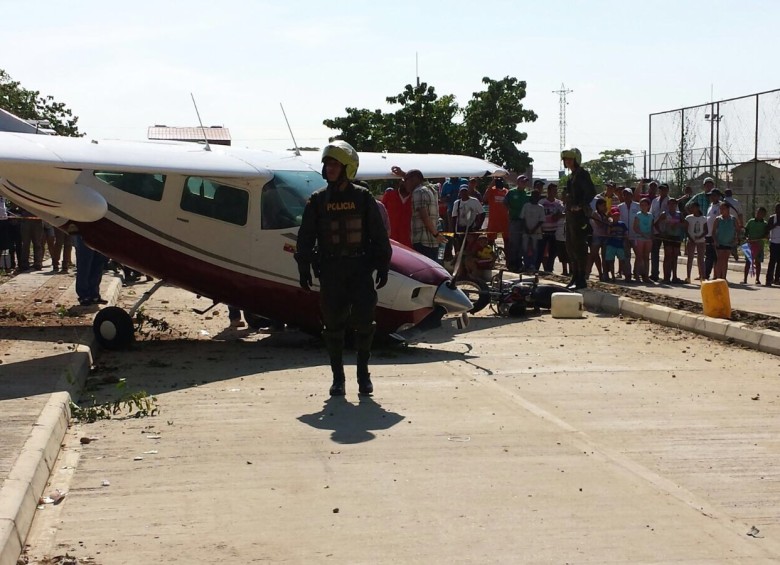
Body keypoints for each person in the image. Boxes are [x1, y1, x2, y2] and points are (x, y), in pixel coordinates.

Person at [296, 140, 392, 396]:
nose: (329, 168)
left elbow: (378, 234)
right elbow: (305, 237)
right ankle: (338, 378)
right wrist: (303, 267)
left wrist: (383, 264)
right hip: (331, 270)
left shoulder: (362, 197)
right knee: (332, 326)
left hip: (359, 269)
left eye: (335, 164)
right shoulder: (317, 200)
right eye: (327, 164)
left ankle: (363, 375)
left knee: (365, 323)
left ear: (347, 167)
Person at [561, 148, 595, 289]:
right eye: (566, 159)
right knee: (570, 247)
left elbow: (590, 192)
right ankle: (575, 276)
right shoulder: (571, 176)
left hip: (579, 217)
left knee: (580, 247)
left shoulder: (582, 174)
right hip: (570, 216)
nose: (567, 161)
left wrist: (580, 206)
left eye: (570, 159)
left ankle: (581, 278)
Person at [504, 175, 530, 272]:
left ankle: (520, 262)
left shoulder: (528, 194)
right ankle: (512, 263)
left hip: (525, 221)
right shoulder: (511, 192)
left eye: (525, 182)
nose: (524, 183)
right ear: (518, 182)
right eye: (522, 181)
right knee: (514, 242)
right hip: (514, 220)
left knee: (523, 243)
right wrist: (510, 210)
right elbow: (505, 202)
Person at [73, 235, 109, 305]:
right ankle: (84, 296)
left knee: (98, 265)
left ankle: (94, 295)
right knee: (84, 265)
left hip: (100, 235)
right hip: (84, 234)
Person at [538, 182, 564, 272]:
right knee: (541, 251)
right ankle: (538, 267)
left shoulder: (559, 203)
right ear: (548, 191)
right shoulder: (542, 202)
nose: (555, 192)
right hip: (544, 231)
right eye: (553, 190)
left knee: (552, 252)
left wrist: (559, 215)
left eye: (556, 190)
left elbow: (562, 214)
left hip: (554, 231)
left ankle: (549, 269)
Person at [657, 198, 685, 283]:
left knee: (675, 257)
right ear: (668, 205)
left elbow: (685, 224)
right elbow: (656, 223)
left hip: (676, 237)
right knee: (668, 257)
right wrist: (661, 232)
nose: (672, 206)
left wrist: (678, 224)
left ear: (676, 205)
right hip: (667, 236)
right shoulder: (664, 214)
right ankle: (666, 277)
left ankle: (675, 277)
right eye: (670, 204)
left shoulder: (679, 214)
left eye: (674, 204)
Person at [382, 178, 413, 247]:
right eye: (402, 182)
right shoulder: (389, 195)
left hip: (408, 241)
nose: (404, 184)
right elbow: (381, 214)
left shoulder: (415, 198)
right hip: (391, 240)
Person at [649, 183, 670, 281]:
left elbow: (675, 215)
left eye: (664, 189)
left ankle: (667, 275)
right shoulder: (654, 201)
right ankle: (654, 273)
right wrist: (653, 228)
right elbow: (651, 214)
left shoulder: (671, 201)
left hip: (667, 231)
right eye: (661, 189)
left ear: (667, 190)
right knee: (654, 253)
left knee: (668, 254)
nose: (662, 191)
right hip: (655, 230)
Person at [617, 188, 640, 282]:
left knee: (638, 255)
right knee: (626, 256)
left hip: (636, 235)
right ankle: (627, 274)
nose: (627, 196)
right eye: (625, 194)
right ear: (623, 196)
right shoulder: (620, 207)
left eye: (629, 194)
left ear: (632, 195)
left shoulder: (637, 206)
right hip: (624, 236)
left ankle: (637, 273)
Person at [519, 188, 544, 271]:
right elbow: (522, 218)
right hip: (526, 231)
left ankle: (533, 264)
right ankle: (526, 264)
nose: (536, 197)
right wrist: (526, 228)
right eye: (534, 195)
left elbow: (541, 220)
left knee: (534, 249)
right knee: (525, 248)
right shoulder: (526, 205)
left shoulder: (540, 207)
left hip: (536, 232)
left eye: (537, 196)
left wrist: (534, 229)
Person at [711, 201, 737, 280]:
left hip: (729, 242)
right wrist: (715, 240)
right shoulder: (718, 219)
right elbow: (713, 231)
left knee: (725, 260)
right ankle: (718, 277)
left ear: (728, 209)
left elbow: (738, 230)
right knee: (719, 259)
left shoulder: (733, 219)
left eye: (723, 208)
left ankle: (724, 277)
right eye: (720, 209)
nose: (721, 210)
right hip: (720, 242)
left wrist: (735, 239)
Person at [743, 207, 768, 285]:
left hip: (759, 245)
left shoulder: (765, 224)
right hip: (749, 244)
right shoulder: (751, 221)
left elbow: (766, 234)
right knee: (747, 262)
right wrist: (746, 237)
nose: (758, 214)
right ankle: (745, 279)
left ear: (764, 215)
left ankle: (757, 279)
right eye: (757, 212)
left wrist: (765, 236)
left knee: (758, 262)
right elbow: (746, 230)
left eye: (761, 213)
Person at [684, 201, 707, 283]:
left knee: (701, 259)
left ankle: (702, 276)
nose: (692, 209)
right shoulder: (688, 218)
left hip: (701, 241)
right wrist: (691, 238)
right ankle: (688, 276)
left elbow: (706, 230)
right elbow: (686, 230)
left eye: (693, 207)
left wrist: (700, 237)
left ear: (697, 208)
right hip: (691, 240)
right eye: (691, 207)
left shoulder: (703, 218)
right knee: (690, 258)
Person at [703, 188, 723, 279]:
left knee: (716, 256)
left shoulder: (720, 206)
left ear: (718, 196)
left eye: (714, 195)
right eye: (711, 195)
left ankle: (717, 275)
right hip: (708, 234)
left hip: (716, 234)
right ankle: (706, 274)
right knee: (709, 255)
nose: (712, 197)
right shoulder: (710, 206)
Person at [633, 198, 654, 283]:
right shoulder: (638, 215)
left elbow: (652, 227)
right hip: (640, 238)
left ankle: (646, 275)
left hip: (648, 238)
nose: (643, 207)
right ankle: (636, 275)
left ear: (648, 206)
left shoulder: (651, 215)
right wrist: (642, 234)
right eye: (641, 205)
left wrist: (651, 235)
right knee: (639, 256)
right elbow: (635, 227)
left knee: (646, 257)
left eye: (645, 205)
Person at [483, 177, 509, 246]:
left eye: (500, 181)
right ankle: (490, 255)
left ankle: (507, 255)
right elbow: (484, 198)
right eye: (497, 181)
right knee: (490, 240)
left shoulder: (506, 191)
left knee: (506, 239)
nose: (499, 183)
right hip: (494, 219)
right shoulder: (491, 190)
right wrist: (491, 184)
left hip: (504, 219)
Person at [588, 197, 609, 281]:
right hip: (596, 236)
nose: (605, 207)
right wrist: (607, 220)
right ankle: (587, 272)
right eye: (603, 205)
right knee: (593, 255)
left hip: (604, 237)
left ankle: (604, 274)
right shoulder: (595, 214)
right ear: (598, 206)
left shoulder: (604, 215)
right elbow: (600, 225)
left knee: (604, 256)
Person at [604, 211, 628, 282]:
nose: (616, 217)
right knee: (611, 261)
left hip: (620, 245)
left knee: (622, 260)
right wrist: (609, 225)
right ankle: (613, 276)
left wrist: (626, 242)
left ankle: (625, 275)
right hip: (611, 244)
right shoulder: (610, 224)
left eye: (618, 216)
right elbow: (608, 234)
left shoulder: (622, 224)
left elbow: (625, 233)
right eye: (615, 216)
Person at [766, 204, 780, 287]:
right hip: (774, 242)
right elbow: (767, 228)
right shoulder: (772, 218)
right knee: (772, 262)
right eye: (777, 209)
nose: (778, 211)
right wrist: (776, 224)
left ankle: (777, 279)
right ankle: (769, 280)